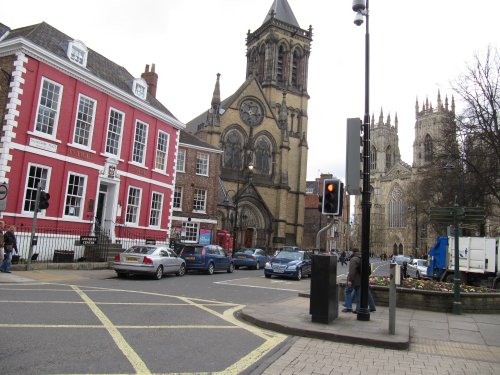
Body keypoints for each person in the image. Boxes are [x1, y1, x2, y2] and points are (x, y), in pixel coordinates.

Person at [342, 248, 376, 313]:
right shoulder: (362, 258)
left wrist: (350, 280)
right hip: (361, 280)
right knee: (358, 295)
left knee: (347, 291)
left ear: (353, 252)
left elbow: (352, 271)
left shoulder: (354, 259)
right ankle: (358, 308)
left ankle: (349, 307)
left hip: (354, 280)